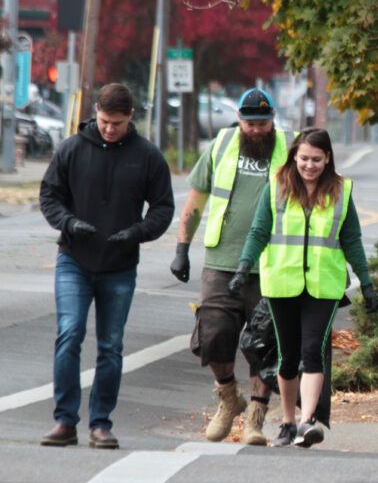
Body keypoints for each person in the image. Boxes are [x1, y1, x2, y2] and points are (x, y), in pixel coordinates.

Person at [38, 83, 174, 449]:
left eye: (116, 123)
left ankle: (101, 423)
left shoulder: (147, 156)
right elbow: (49, 195)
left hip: (119, 264)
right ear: (94, 112)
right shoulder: (71, 148)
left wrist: (137, 232)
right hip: (74, 260)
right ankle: (65, 420)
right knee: (69, 333)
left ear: (131, 117)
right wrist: (69, 223)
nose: (109, 129)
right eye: (103, 121)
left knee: (111, 346)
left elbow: (163, 206)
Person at [231, 128, 378, 448]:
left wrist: (366, 283)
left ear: (327, 159)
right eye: (304, 159)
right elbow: (259, 232)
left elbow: (351, 239)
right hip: (282, 283)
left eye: (316, 159)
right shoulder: (276, 188)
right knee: (287, 357)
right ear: (294, 157)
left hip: (323, 286)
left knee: (313, 352)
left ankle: (307, 421)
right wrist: (243, 268)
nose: (309, 165)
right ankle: (287, 421)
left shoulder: (341, 191)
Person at [169, 88, 295, 445]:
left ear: (273, 120)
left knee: (264, 344)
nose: (256, 129)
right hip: (221, 260)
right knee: (213, 334)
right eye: (250, 123)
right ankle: (228, 398)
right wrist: (182, 248)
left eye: (263, 123)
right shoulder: (222, 145)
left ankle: (255, 419)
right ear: (239, 120)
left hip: (272, 262)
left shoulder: (290, 147)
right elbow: (196, 198)